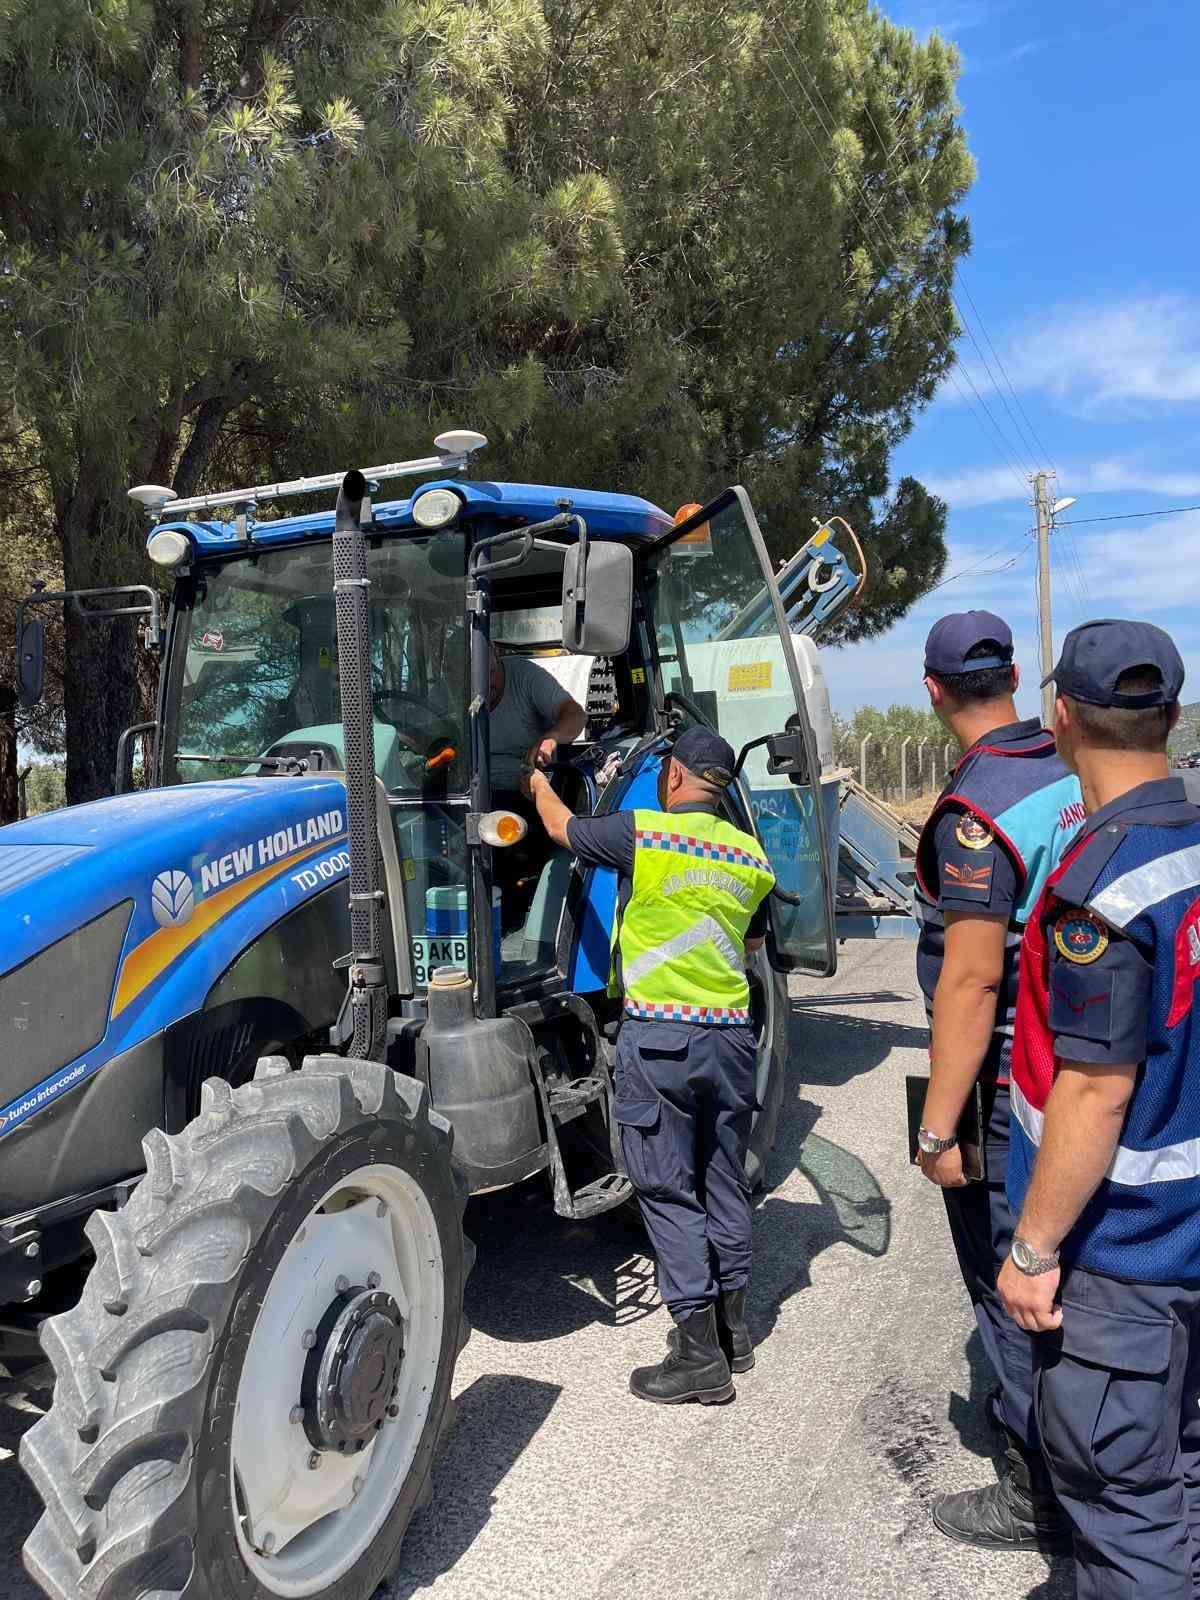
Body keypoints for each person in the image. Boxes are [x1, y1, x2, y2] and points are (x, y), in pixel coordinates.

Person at [999, 619, 1200, 1600]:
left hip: (1127, 1256)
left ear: (1061, 714)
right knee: (1183, 1467)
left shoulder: (1100, 888)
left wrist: (1034, 1248)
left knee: (1123, 1506)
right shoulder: (1192, 842)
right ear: (1168, 714)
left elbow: (1094, 1084)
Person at [527, 727, 774, 1403]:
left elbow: (562, 830)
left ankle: (698, 1359)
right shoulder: (750, 856)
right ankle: (733, 1333)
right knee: (723, 1178)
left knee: (666, 1188)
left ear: (671, 777)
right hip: (730, 1041)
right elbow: (751, 942)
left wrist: (537, 779)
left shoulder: (649, 835)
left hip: (664, 1038)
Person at [911, 610, 1083, 1551]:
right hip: (1071, 1064)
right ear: (1014, 674)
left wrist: (938, 1133)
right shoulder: (1064, 770)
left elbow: (973, 979)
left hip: (1007, 1091)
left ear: (932, 690)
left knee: (1008, 1280)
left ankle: (1036, 1493)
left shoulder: (976, 808)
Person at [488, 643, 585, 926]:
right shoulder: (451, 686)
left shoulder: (526, 678)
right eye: (476, 680)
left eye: (491, 673)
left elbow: (575, 715)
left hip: (524, 789)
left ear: (496, 653)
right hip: (468, 793)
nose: (487, 686)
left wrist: (550, 739)